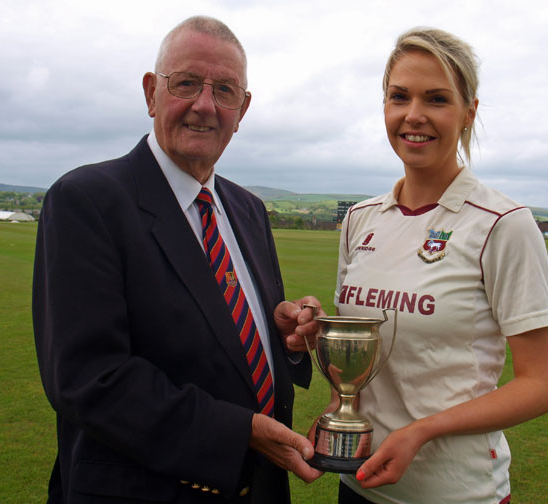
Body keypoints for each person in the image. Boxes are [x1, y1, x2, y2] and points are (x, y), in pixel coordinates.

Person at [33, 15, 324, 503]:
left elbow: (224, 337)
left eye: (225, 90)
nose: (205, 106)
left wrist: (286, 336)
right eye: (186, 83)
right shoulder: (86, 200)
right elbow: (88, 378)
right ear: (151, 93)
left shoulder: (248, 209)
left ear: (243, 108)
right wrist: (239, 431)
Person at [314, 27, 548, 504]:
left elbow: (543, 384)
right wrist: (335, 404)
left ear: (469, 112)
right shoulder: (359, 221)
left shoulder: (503, 224)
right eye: (399, 97)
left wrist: (423, 430)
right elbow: (364, 356)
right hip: (358, 484)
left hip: (456, 492)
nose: (414, 115)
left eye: (437, 99)